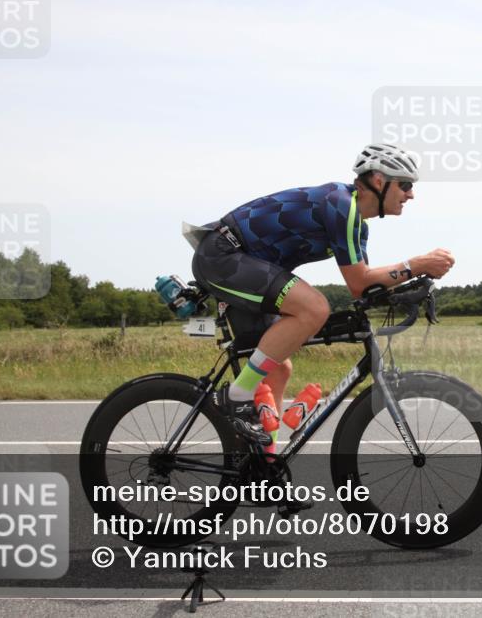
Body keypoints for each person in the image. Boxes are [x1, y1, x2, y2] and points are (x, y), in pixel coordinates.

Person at [191, 143, 455, 451]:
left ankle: (265, 466)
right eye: (406, 185)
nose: (411, 194)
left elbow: (366, 285)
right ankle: (237, 396)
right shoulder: (340, 204)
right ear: (380, 181)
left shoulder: (357, 224)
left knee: (278, 369)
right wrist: (416, 265)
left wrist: (411, 286)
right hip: (222, 255)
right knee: (314, 308)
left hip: (244, 264)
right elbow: (358, 282)